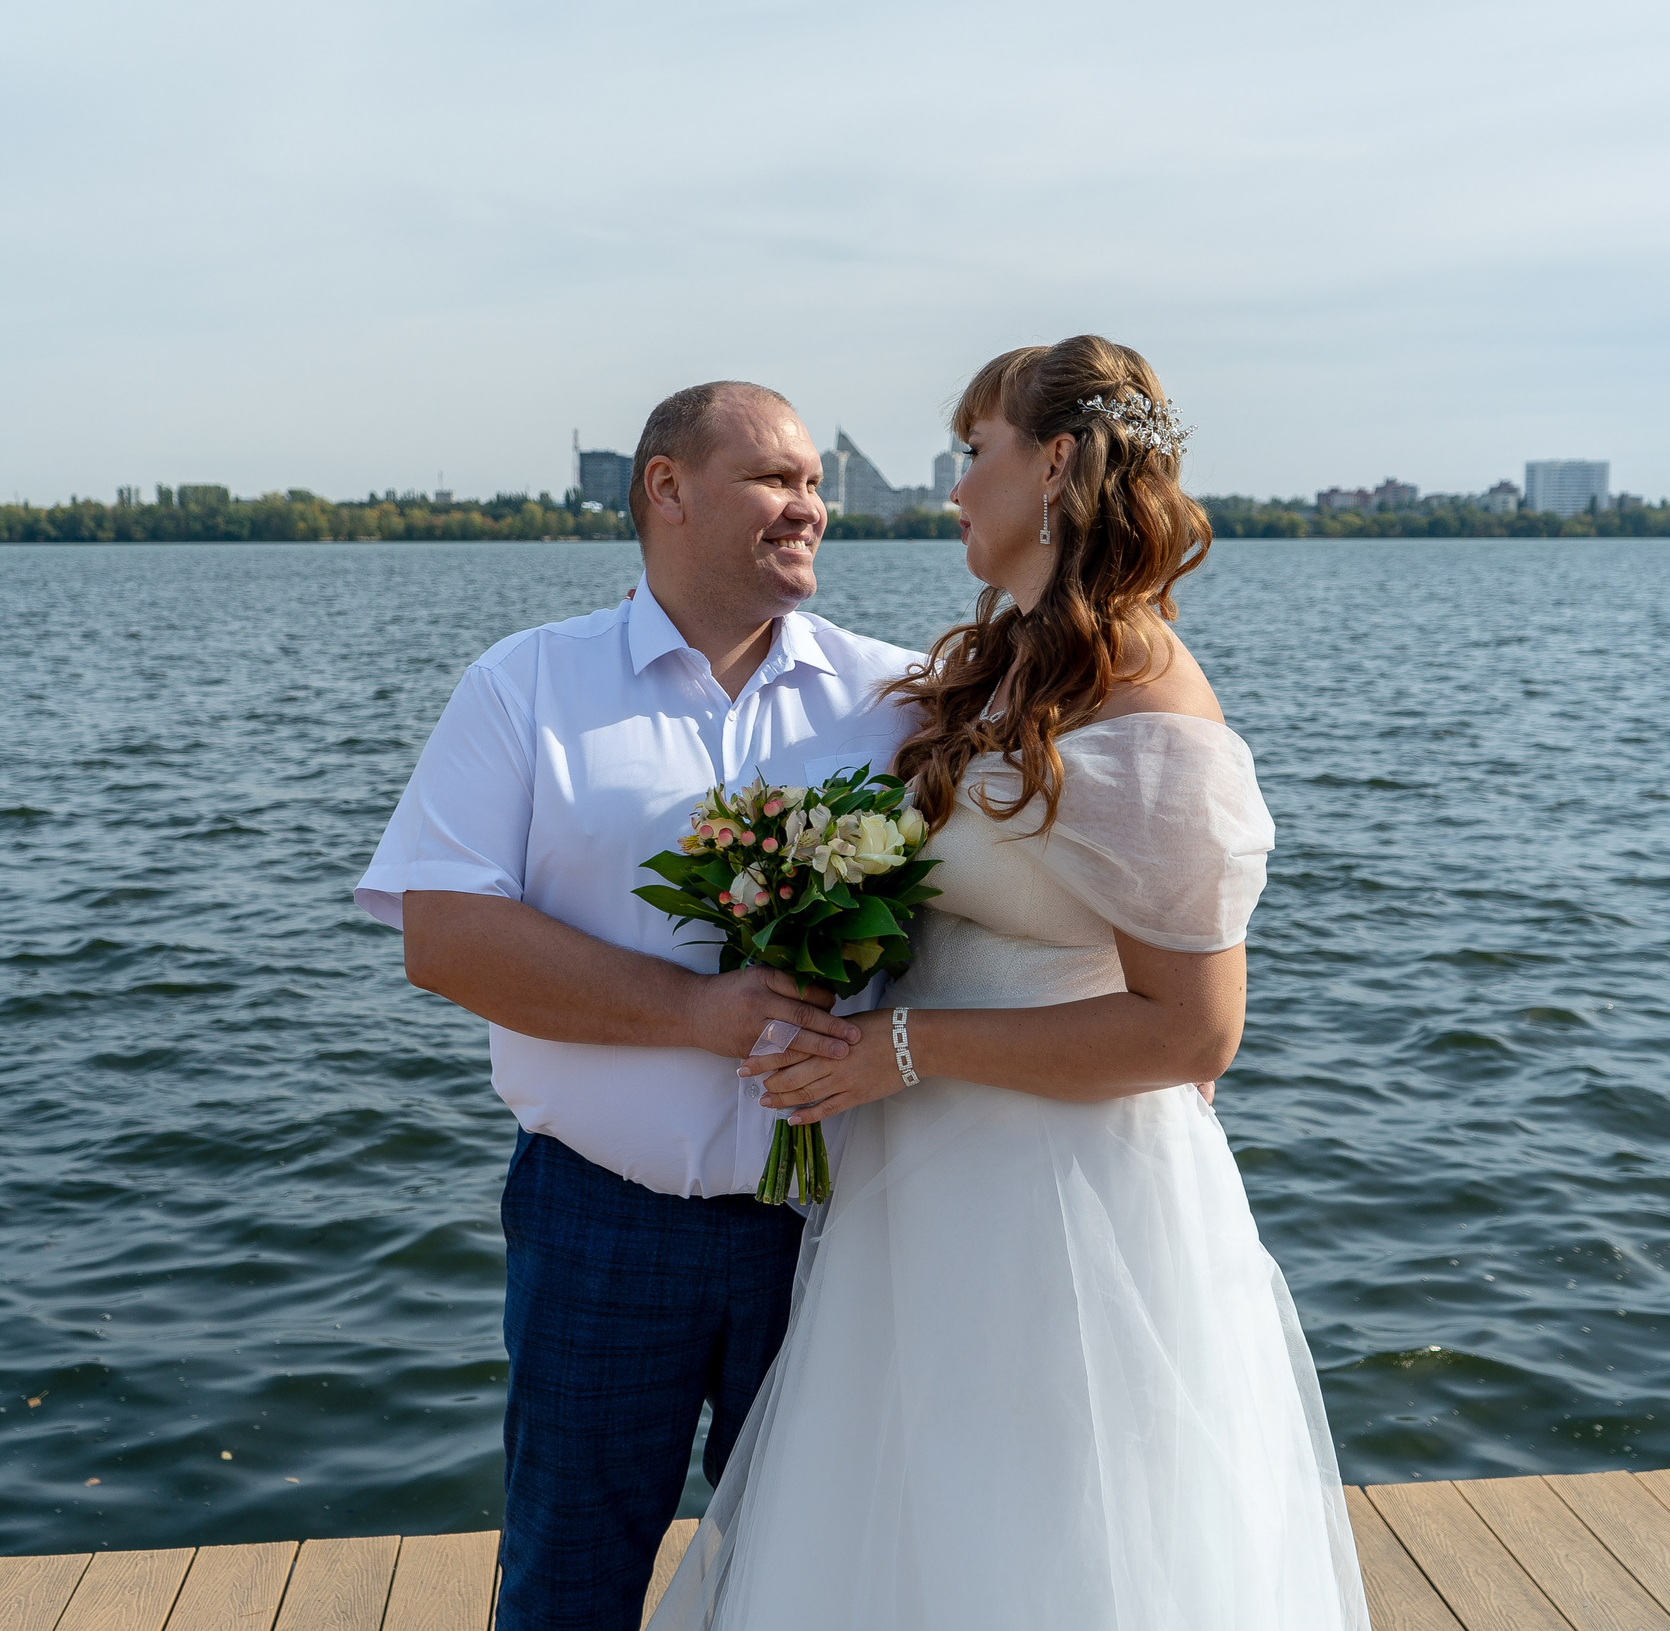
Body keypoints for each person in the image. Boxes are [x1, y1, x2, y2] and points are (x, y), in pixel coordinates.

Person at [649, 337, 1371, 1631]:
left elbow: (1198, 1026)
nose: (953, 486)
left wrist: (901, 1048)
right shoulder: (1011, 669)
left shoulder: (1149, 696)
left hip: (1065, 1209)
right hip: (922, 1195)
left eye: (970, 450)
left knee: (1044, 1545)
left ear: (1051, 462)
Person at [354, 381, 921, 1631]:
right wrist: (693, 1011)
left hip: (843, 1226)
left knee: (823, 1588)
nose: (811, 508)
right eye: (778, 479)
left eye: (816, 482)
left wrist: (1134, 1021)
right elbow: (443, 939)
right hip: (602, 1227)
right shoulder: (526, 688)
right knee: (571, 1586)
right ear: (665, 489)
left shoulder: (900, 702)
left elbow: (1022, 874)